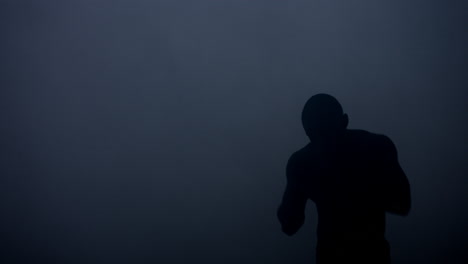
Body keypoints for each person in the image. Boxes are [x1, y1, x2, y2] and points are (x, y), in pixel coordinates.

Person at [277, 94, 411, 264]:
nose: (326, 142)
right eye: (319, 133)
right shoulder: (376, 146)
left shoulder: (303, 163)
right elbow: (402, 203)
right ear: (344, 120)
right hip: (371, 255)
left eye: (326, 130)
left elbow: (290, 225)